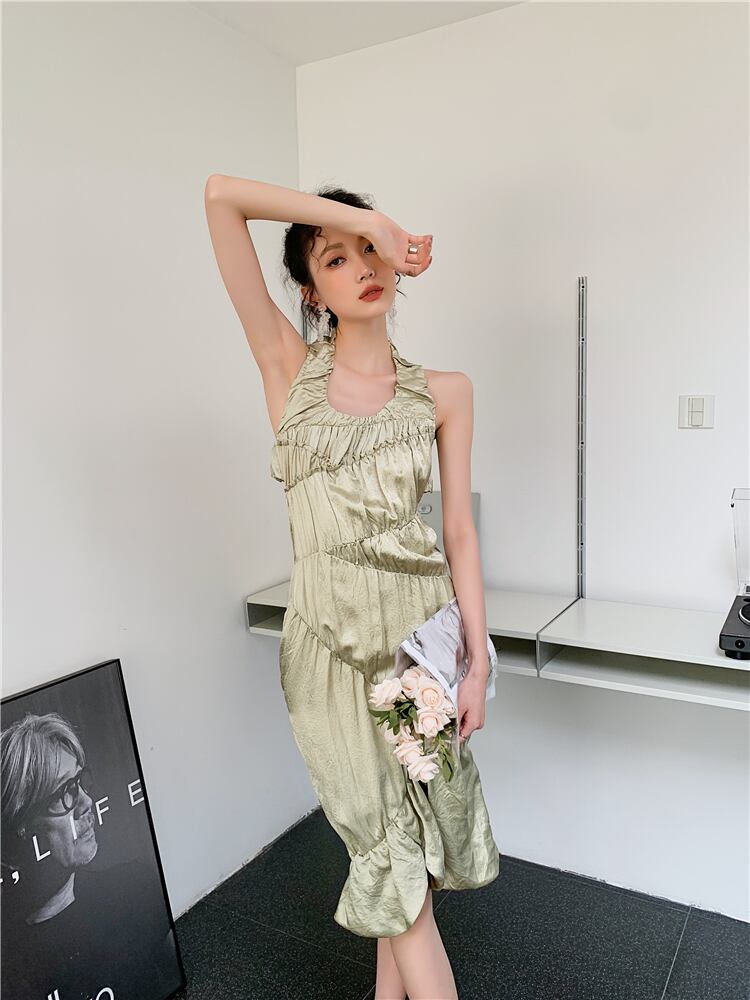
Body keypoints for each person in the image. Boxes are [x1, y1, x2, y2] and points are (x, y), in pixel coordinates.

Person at [204, 175, 501, 1000]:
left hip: (418, 654)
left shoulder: (445, 393)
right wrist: (366, 219)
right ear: (311, 291)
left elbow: (459, 533)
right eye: (337, 258)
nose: (364, 265)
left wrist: (477, 664)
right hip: (329, 659)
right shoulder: (287, 367)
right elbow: (220, 199)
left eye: (372, 251)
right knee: (385, 852)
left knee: (416, 860)